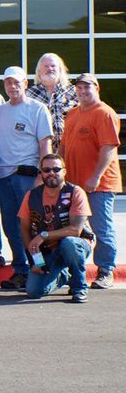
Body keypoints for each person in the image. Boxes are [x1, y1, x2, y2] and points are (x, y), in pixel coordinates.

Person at [0, 66, 53, 290]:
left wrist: (42, 174)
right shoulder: (0, 111)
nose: (13, 86)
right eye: (9, 82)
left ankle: (39, 268)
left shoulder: (37, 109)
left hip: (27, 175)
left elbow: (45, 144)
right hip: (3, 176)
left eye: (17, 82)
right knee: (11, 226)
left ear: (25, 84)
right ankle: (20, 270)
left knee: (31, 225)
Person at [60, 74, 120, 289]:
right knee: (73, 227)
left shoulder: (104, 113)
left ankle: (105, 270)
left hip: (99, 185)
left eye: (87, 87)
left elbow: (109, 147)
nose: (83, 91)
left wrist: (95, 176)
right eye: (79, 87)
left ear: (97, 88)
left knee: (101, 228)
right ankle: (73, 270)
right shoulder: (73, 114)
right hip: (74, 183)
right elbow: (64, 146)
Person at [20, 154, 96, 302]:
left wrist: (43, 235)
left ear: (64, 171)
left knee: (69, 243)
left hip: (76, 244)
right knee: (34, 291)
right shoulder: (31, 195)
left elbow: (76, 230)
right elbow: (24, 229)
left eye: (56, 169)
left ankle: (79, 288)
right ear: (41, 173)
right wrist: (36, 260)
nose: (51, 173)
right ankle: (63, 274)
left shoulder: (75, 192)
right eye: (47, 170)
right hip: (49, 251)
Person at [26, 53, 78, 151]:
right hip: (38, 152)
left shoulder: (74, 92)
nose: (50, 69)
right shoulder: (29, 94)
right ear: (39, 71)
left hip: (69, 150)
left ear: (60, 70)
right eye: (46, 66)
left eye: (53, 66)